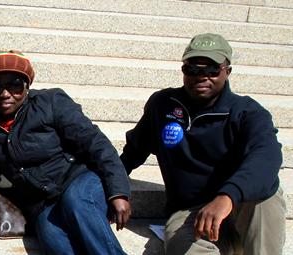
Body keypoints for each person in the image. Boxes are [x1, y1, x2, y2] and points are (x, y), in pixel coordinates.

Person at [120, 33, 285, 254]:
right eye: (193, 69)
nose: (201, 76)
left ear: (227, 71)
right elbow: (133, 151)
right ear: (183, 71)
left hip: (239, 205)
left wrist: (227, 197)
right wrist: (113, 187)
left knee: (267, 198)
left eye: (212, 70)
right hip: (190, 212)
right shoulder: (163, 105)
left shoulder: (247, 112)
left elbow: (267, 156)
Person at [0, 50, 131, 255]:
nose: (5, 93)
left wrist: (118, 191)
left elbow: (96, 144)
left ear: (27, 86)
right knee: (54, 241)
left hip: (78, 179)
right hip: (40, 200)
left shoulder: (52, 102)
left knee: (77, 204)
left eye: (15, 84)